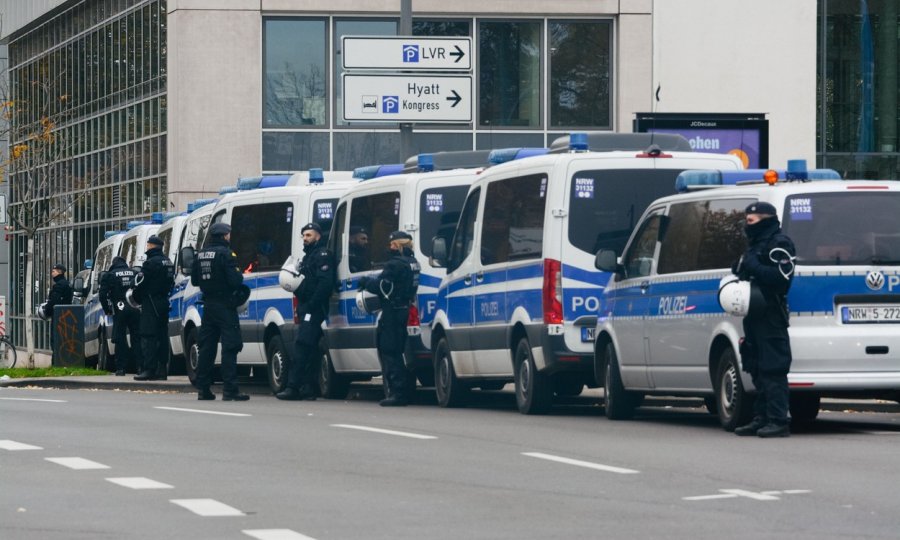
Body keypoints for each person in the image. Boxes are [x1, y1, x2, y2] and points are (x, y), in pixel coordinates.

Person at [732, 201, 796, 438]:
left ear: (765, 219)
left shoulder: (779, 244)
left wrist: (754, 266)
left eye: (751, 221)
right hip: (754, 314)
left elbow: (782, 279)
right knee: (756, 365)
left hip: (771, 315)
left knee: (773, 368)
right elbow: (746, 271)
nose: (747, 225)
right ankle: (761, 417)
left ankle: (778, 420)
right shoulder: (755, 245)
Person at [359, 230, 420, 407]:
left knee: (390, 351)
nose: (389, 247)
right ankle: (403, 392)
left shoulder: (395, 264)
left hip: (392, 311)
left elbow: (381, 285)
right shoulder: (413, 262)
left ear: (397, 245)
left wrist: (365, 282)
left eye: (392, 244)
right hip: (405, 308)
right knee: (399, 351)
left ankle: (397, 393)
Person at [276, 222, 335, 401]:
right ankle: (308, 388)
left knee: (302, 345)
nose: (305, 238)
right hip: (306, 306)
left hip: (313, 308)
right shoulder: (308, 256)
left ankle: (293, 387)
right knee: (310, 348)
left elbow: (325, 283)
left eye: (309, 235)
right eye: (304, 235)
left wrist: (312, 304)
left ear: (318, 235)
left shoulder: (322, 255)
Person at [192, 222, 249, 401]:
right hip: (225, 305)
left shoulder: (200, 255)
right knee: (230, 346)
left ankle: (203, 390)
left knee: (207, 348)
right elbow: (235, 280)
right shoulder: (226, 254)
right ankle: (230, 390)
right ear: (224, 236)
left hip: (208, 306)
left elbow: (194, 280)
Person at [134, 236, 175, 381]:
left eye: (148, 245)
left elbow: (141, 284)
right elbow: (172, 282)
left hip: (150, 302)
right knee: (162, 335)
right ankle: (162, 369)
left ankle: (149, 369)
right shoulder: (169, 262)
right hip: (163, 301)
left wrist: (136, 297)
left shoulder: (150, 263)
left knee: (148, 335)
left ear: (151, 246)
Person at [99, 256, 141, 376]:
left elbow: (102, 295)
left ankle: (121, 368)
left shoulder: (110, 275)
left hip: (119, 308)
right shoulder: (134, 272)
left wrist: (107, 309)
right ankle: (140, 367)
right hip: (134, 307)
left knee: (120, 338)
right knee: (137, 337)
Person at [43, 263, 74, 361]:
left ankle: (56, 362)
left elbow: (54, 301)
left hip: (58, 316)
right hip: (65, 316)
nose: (52, 274)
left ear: (59, 272)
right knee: (63, 340)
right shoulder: (67, 284)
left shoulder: (59, 285)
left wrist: (46, 311)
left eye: (53, 271)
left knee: (55, 340)